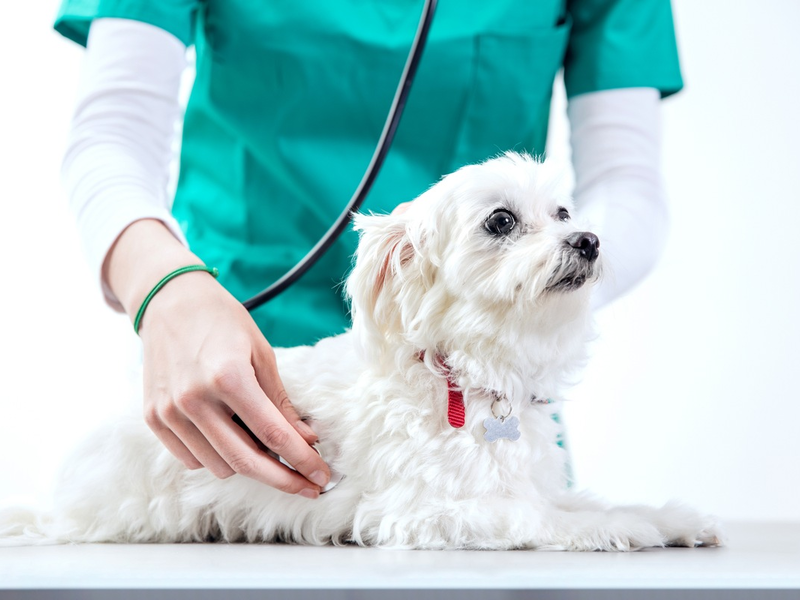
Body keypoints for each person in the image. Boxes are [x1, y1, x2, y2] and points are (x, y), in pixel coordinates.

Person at [54, 0, 682, 499]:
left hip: (476, 401)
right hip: (240, 375)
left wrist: (533, 287)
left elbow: (626, 183)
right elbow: (113, 133)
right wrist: (166, 291)